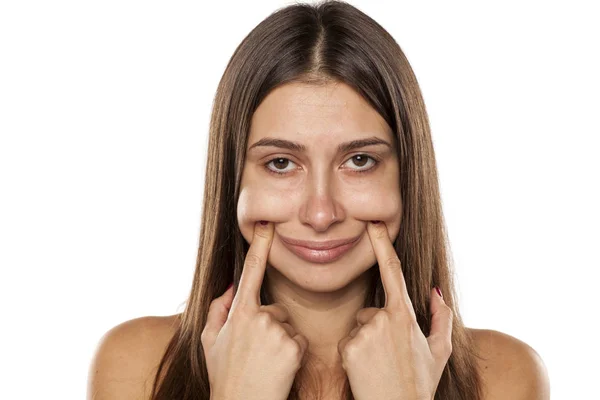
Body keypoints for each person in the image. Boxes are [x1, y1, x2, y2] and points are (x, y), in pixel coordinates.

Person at [87, 1, 550, 399]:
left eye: (361, 160)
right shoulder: (137, 367)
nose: (321, 213)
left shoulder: (507, 377)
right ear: (233, 180)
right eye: (282, 164)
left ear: (408, 176)